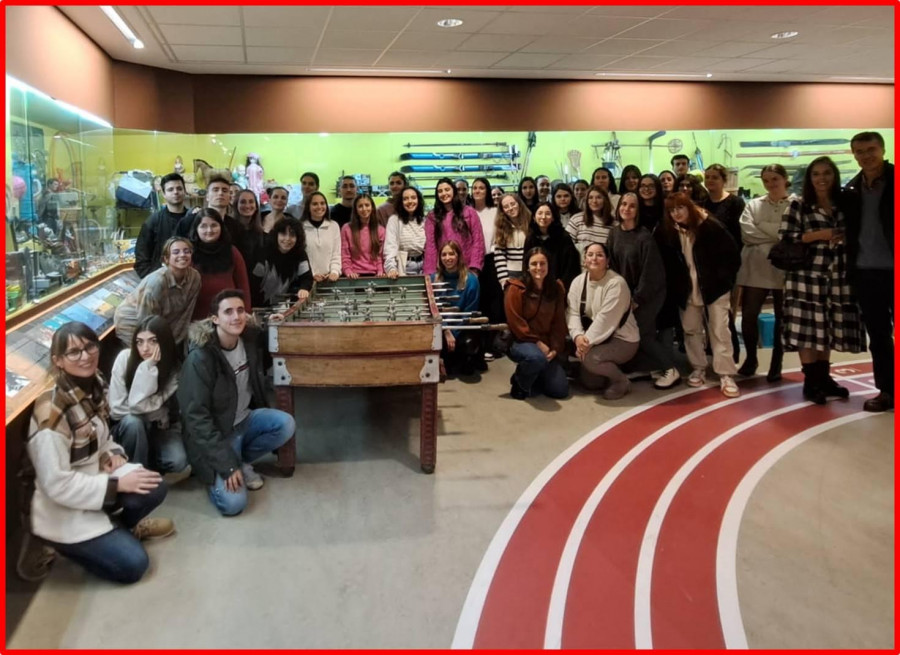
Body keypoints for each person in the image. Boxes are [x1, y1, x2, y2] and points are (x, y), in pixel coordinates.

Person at [22, 322, 173, 583]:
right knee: (135, 565)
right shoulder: (52, 413)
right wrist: (116, 484)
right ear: (58, 361)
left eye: (90, 346)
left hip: (94, 480)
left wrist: (110, 454)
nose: (85, 356)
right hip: (63, 505)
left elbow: (103, 437)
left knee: (154, 485)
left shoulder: (94, 383)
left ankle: (117, 530)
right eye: (74, 352)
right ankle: (51, 542)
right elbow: (56, 484)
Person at [179, 290, 295, 516]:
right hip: (218, 433)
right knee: (233, 504)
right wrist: (226, 465)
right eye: (228, 312)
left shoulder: (248, 338)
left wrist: (274, 322)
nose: (236, 317)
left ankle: (239, 460)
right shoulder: (200, 358)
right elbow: (196, 418)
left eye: (240, 310)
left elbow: (263, 334)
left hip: (244, 420)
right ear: (215, 319)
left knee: (285, 424)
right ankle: (226, 465)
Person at [781, 156, 865, 405]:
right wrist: (821, 234)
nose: (821, 178)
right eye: (816, 174)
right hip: (806, 277)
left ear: (834, 175)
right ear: (809, 178)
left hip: (837, 276)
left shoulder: (845, 204)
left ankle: (824, 378)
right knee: (807, 329)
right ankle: (811, 382)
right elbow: (787, 237)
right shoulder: (799, 205)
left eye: (826, 173)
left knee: (826, 327)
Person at [660, 192, 742, 397]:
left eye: (680, 208)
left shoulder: (710, 226)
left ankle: (726, 373)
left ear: (689, 206)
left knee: (719, 330)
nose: (676, 213)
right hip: (687, 289)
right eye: (671, 210)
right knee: (690, 329)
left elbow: (732, 255)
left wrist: (724, 281)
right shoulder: (670, 231)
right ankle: (698, 367)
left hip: (715, 288)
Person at [607, 192, 680, 389]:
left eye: (632, 206)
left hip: (649, 294)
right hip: (626, 294)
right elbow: (612, 267)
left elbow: (651, 273)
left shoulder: (644, 237)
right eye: (623, 204)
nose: (626, 209)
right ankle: (648, 367)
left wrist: (637, 298)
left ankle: (671, 369)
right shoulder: (614, 233)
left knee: (643, 334)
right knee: (628, 334)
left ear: (637, 211)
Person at [843, 131, 894, 412]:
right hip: (866, 271)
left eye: (871, 149)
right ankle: (887, 390)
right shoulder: (851, 189)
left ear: (883, 149)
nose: (866, 156)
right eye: (860, 151)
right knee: (879, 336)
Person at [109, 316, 190, 481]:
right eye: (139, 342)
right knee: (134, 422)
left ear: (164, 342)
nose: (145, 348)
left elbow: (143, 406)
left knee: (178, 460)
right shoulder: (125, 358)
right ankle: (135, 474)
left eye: (153, 341)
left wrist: (151, 410)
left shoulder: (174, 370)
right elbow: (118, 410)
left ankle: (149, 463)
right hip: (127, 429)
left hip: (158, 428)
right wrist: (147, 367)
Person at [736, 164, 794, 382]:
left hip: (785, 268)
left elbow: (794, 235)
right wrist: (777, 235)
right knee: (749, 316)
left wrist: (765, 231)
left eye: (775, 179)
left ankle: (776, 362)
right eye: (766, 180)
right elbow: (747, 233)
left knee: (782, 317)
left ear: (785, 179)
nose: (770, 184)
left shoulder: (796, 204)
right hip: (755, 268)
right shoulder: (753, 204)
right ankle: (751, 358)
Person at [567, 242, 640, 399]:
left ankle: (621, 381)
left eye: (600, 255)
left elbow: (605, 320)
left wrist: (584, 344)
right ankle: (600, 370)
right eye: (590, 254)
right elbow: (572, 313)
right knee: (590, 383)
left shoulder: (616, 284)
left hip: (622, 339)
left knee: (590, 359)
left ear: (607, 261)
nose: (594, 258)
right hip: (595, 339)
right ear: (584, 260)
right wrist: (578, 336)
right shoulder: (578, 282)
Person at [504, 247, 569, 400]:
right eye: (534, 264)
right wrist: (538, 343)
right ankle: (520, 383)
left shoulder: (557, 287)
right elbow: (515, 323)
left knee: (560, 391)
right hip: (521, 341)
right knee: (536, 358)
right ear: (527, 266)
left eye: (542, 263)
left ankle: (534, 373)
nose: (538, 268)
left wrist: (555, 348)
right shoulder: (515, 288)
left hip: (547, 344)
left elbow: (559, 322)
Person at [189, 208, 252, 320]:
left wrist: (245, 313)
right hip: (197, 319)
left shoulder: (232, 251)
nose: (209, 230)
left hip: (229, 317)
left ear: (221, 227)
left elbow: (243, 287)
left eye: (214, 225)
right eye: (203, 226)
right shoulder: (189, 253)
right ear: (196, 229)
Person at [432, 241, 481, 376]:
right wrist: (446, 330)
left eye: (451, 254)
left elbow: (469, 312)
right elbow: (435, 310)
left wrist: (454, 332)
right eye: (444, 255)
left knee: (467, 346)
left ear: (458, 256)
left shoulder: (471, 280)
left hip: (462, 327)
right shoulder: (433, 279)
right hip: (442, 326)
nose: (448, 258)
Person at [424, 177, 485, 276]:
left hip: (467, 269)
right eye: (440, 191)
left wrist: (474, 267)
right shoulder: (432, 216)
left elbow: (478, 240)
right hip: (443, 270)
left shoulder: (469, 212)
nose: (444, 193)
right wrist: (431, 273)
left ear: (454, 191)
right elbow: (431, 246)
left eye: (447, 190)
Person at [134, 173, 189, 278]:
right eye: (170, 189)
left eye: (179, 188)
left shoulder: (194, 219)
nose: (176, 192)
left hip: (190, 281)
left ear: (184, 191)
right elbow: (142, 259)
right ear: (163, 194)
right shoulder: (153, 222)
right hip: (161, 281)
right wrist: (154, 281)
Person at [251, 216, 313, 306]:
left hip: (285, 306)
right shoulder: (263, 254)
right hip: (259, 306)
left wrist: (304, 288)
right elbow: (253, 284)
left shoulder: (300, 254)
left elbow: (307, 277)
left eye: (292, 235)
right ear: (276, 235)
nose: (287, 239)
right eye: (283, 234)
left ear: (298, 238)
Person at [524, 202, 581, 290]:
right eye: (540, 213)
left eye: (547, 214)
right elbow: (526, 264)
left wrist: (561, 286)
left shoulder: (563, 237)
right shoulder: (530, 238)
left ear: (553, 217)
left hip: (559, 286)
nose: (543, 217)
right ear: (534, 218)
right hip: (535, 286)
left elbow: (570, 266)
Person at [230, 189, 266, 304]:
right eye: (243, 202)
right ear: (236, 205)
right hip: (234, 285)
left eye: (251, 202)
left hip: (257, 288)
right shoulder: (228, 231)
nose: (247, 205)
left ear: (256, 206)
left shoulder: (262, 234)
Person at [384, 186, 427, 278]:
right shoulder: (394, 220)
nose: (410, 201)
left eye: (413, 198)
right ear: (401, 202)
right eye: (405, 199)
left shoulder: (424, 220)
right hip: (404, 266)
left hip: (423, 266)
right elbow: (390, 247)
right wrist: (391, 268)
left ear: (418, 200)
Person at [341, 194, 385, 278]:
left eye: (367, 205)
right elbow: (345, 256)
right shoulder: (347, 229)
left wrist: (380, 271)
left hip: (375, 274)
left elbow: (379, 256)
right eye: (360, 206)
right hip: (354, 276)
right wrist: (349, 272)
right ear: (356, 210)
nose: (364, 209)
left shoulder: (380, 230)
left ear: (372, 207)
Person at [301, 191, 342, 282]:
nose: (319, 207)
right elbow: (299, 257)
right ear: (308, 207)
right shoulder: (300, 227)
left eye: (322, 203)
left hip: (330, 279)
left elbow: (336, 253)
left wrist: (334, 271)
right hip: (307, 280)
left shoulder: (334, 226)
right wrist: (312, 274)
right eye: (315, 204)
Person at [493, 193, 531, 290]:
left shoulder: (531, 223)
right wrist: (504, 280)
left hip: (530, 273)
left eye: (513, 204)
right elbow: (499, 256)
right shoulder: (501, 228)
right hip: (511, 275)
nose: (510, 208)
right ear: (502, 211)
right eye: (506, 207)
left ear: (519, 204)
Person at [566, 185, 616, 256]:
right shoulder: (576, 219)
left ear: (605, 200)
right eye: (590, 198)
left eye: (598, 197)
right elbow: (566, 246)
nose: (594, 201)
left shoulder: (614, 224)